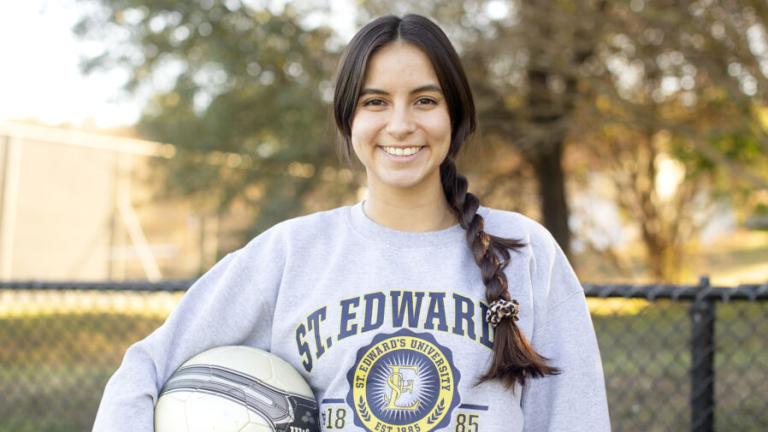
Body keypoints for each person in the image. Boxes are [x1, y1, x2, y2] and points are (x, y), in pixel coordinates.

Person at [93, 14, 610, 432]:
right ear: (349, 120)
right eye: (375, 102)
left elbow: (573, 415)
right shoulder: (291, 253)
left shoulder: (524, 251)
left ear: (456, 118)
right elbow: (145, 368)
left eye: (425, 101)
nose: (401, 124)